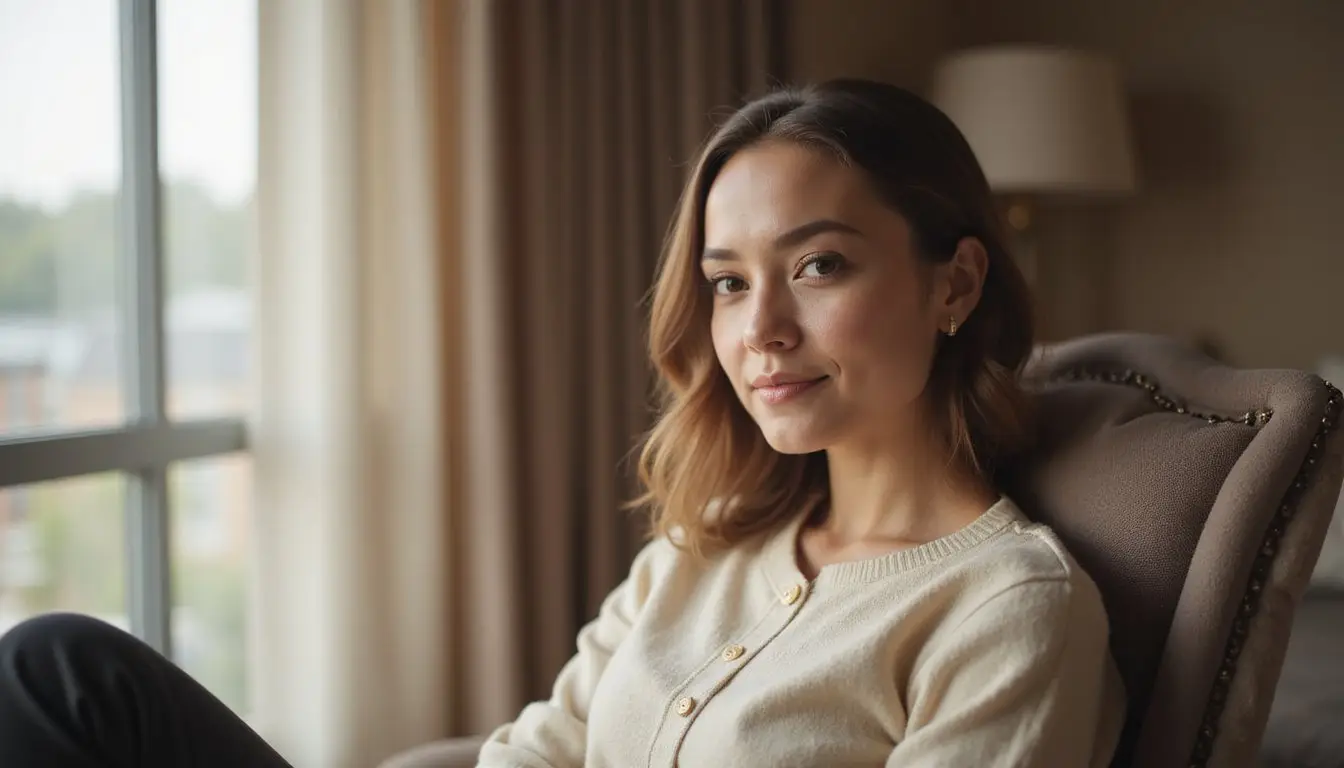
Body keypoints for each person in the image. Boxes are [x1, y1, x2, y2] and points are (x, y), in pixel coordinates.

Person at [0, 79, 1124, 768]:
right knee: (60, 669)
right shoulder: (709, 543)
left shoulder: (1009, 609)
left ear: (954, 284)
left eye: (819, 265)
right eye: (729, 283)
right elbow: (539, 751)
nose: (761, 331)